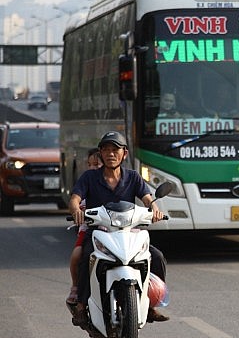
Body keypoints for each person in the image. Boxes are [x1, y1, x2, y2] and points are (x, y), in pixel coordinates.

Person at [69, 131, 170, 325]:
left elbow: (148, 199)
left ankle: (151, 305)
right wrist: (76, 211)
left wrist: (155, 210)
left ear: (124, 153)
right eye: (106, 150)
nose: (110, 154)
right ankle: (81, 306)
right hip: (99, 232)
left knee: (156, 257)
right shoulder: (90, 177)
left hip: (129, 232)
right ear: (100, 154)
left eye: (115, 150)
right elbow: (75, 199)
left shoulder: (133, 177)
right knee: (86, 258)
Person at [65, 147, 102, 306]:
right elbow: (75, 202)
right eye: (90, 164)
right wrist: (78, 212)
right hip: (89, 230)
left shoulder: (126, 178)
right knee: (78, 254)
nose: (94, 168)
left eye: (97, 164)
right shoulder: (87, 181)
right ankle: (76, 288)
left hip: (117, 230)